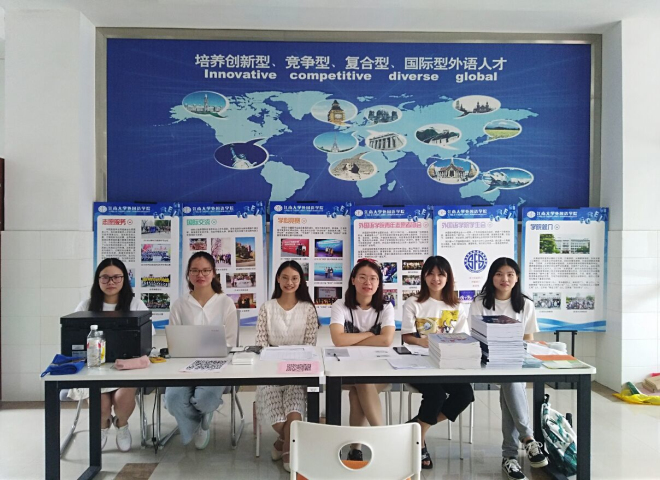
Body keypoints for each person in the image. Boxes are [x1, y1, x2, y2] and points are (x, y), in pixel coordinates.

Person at [468, 257, 548, 480]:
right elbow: (475, 336)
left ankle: (510, 456)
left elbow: (528, 339)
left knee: (510, 384)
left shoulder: (526, 304)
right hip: (486, 361)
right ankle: (528, 439)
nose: (505, 279)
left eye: (510, 274)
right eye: (499, 274)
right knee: (511, 382)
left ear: (517, 278)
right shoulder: (479, 302)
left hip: (514, 360)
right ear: (492, 277)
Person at [70, 257, 151, 453]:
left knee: (122, 398)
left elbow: (147, 340)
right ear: (98, 280)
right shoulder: (86, 306)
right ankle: (102, 426)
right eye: (105, 277)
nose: (111, 282)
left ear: (124, 279)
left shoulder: (135, 305)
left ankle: (121, 425)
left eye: (116, 277)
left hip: (126, 367)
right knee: (101, 404)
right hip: (93, 369)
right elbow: (72, 338)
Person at [401, 256, 474, 469]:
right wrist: (423, 341)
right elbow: (407, 337)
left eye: (441, 274)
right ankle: (420, 442)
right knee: (437, 395)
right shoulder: (413, 302)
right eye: (430, 274)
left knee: (465, 394)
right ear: (423, 277)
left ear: (448, 277)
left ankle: (416, 428)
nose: (436, 278)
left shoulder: (456, 305)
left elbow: (463, 337)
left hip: (447, 363)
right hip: (418, 363)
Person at [164, 251, 237, 449]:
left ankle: (204, 414)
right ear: (188, 274)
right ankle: (200, 423)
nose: (200, 275)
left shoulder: (225, 303)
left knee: (205, 398)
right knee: (173, 399)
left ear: (213, 273)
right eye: (195, 270)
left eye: (206, 270)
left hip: (217, 365)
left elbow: (230, 342)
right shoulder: (180, 305)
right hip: (183, 366)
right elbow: (174, 342)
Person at [255, 260, 319, 472]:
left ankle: (285, 447)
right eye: (285, 277)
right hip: (270, 373)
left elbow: (310, 346)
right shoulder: (267, 308)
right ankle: (288, 441)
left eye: (294, 278)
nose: (289, 282)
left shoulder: (308, 309)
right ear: (278, 279)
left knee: (294, 411)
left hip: (297, 372)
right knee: (279, 421)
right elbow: (260, 345)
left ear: (301, 281)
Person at [329, 258, 395, 461]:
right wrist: (368, 335)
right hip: (346, 370)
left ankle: (356, 449)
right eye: (363, 277)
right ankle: (383, 440)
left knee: (361, 384)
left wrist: (352, 339)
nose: (368, 282)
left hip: (379, 370)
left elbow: (386, 341)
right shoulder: (340, 305)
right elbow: (338, 340)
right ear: (353, 280)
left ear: (379, 283)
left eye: (373, 278)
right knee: (361, 382)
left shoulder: (385, 307)